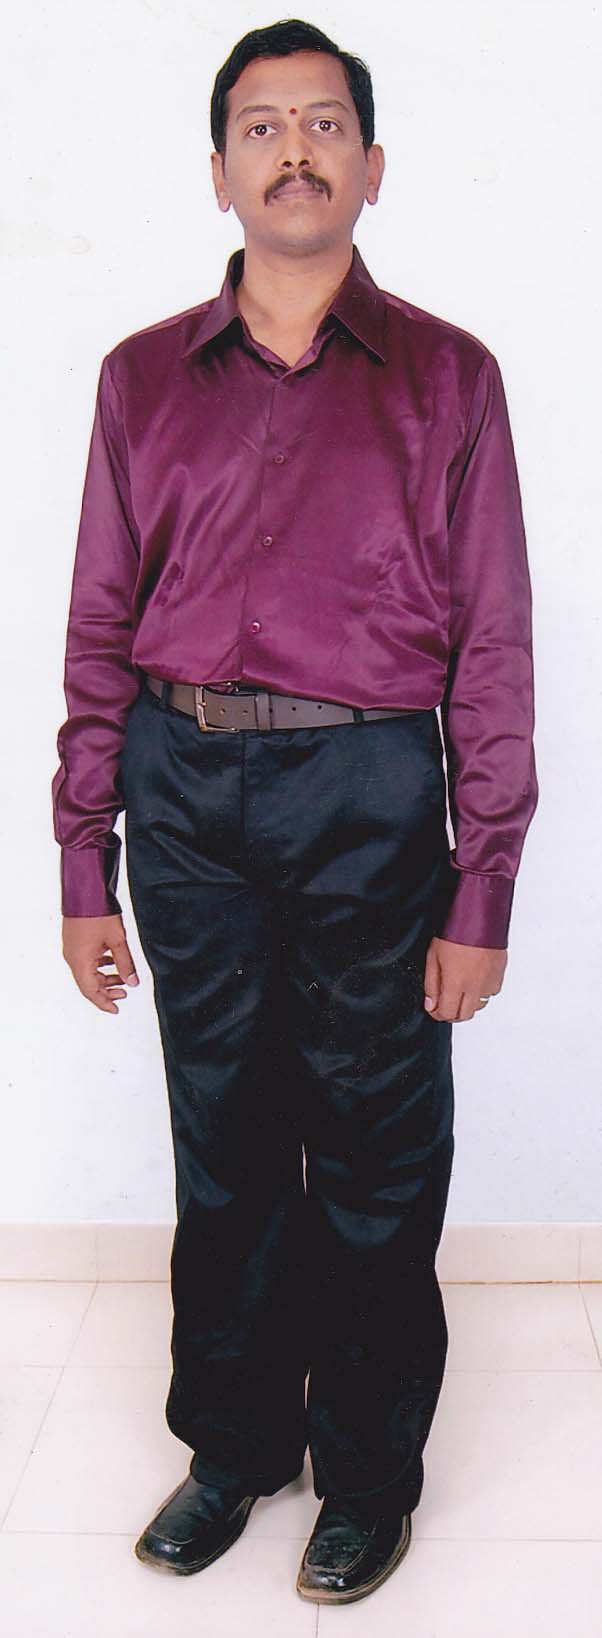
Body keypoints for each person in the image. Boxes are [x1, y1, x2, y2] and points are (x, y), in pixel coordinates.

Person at [52, 17, 538, 1607]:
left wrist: (481, 887)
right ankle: (237, 1441)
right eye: (259, 127)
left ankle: (369, 1473)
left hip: (368, 793)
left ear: (372, 166)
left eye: (324, 123)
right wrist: (82, 854)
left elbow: (492, 646)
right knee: (226, 1144)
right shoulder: (139, 380)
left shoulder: (450, 378)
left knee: (378, 1151)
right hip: (183, 795)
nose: (294, 151)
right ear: (218, 172)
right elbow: (99, 623)